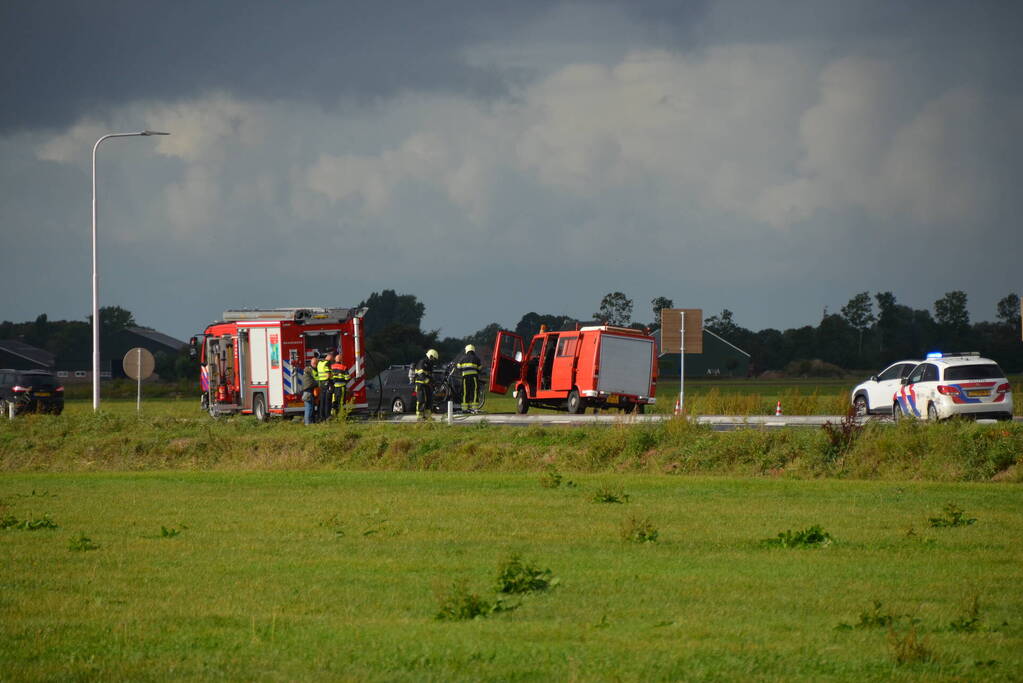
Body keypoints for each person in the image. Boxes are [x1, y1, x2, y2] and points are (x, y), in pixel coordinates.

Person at [455, 344, 483, 413]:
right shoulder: (476, 359)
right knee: (474, 391)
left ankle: (464, 408)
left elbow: (458, 367)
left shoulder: (462, 358)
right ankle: (475, 408)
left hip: (465, 378)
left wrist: (462, 371)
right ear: (473, 350)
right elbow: (480, 368)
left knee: (465, 392)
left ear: (466, 350)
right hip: (474, 377)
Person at [413, 349, 439, 419]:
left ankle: (428, 416)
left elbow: (430, 375)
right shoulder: (422, 362)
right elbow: (421, 373)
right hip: (420, 384)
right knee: (421, 400)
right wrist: (427, 380)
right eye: (434, 358)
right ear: (430, 356)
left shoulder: (430, 364)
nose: (434, 360)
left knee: (429, 400)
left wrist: (433, 383)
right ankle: (420, 416)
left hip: (427, 385)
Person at [301, 351, 320, 424]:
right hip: (308, 393)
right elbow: (312, 382)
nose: (317, 365)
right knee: (309, 409)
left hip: (308, 392)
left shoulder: (307, 371)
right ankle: (308, 424)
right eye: (317, 364)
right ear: (314, 364)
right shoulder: (310, 371)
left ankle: (309, 423)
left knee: (310, 408)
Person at [330, 350, 350, 418]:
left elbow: (329, 377)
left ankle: (333, 415)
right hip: (341, 387)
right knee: (341, 402)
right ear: (341, 360)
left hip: (334, 387)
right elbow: (347, 378)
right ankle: (340, 415)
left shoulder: (331, 367)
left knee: (334, 401)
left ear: (335, 359)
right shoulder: (344, 367)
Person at [318, 351, 334, 420]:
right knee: (328, 400)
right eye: (332, 358)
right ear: (330, 357)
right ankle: (327, 416)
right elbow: (328, 374)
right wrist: (332, 379)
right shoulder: (327, 363)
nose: (332, 360)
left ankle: (321, 416)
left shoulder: (319, 363)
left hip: (321, 383)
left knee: (322, 401)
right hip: (327, 383)